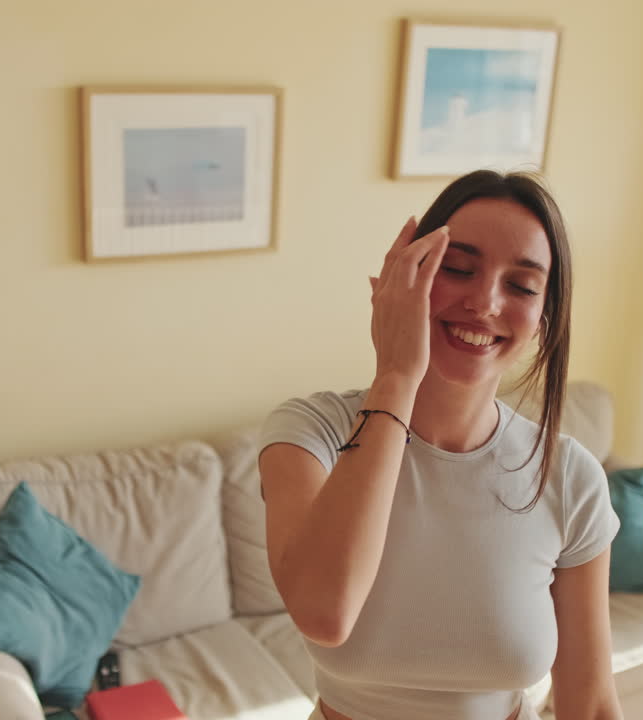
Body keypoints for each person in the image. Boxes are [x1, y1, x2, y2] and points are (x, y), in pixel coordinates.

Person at [258, 170, 624, 720]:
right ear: (407, 278)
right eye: (457, 269)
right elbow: (324, 613)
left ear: (542, 324)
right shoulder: (310, 435)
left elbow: (591, 704)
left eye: (521, 285)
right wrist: (396, 378)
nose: (484, 302)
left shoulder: (570, 477)